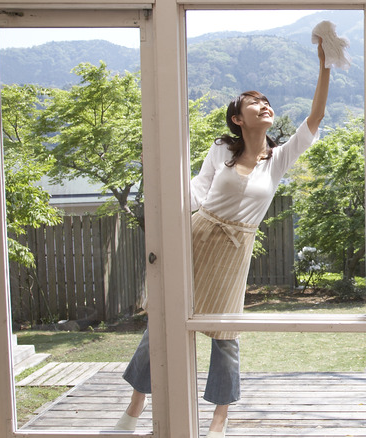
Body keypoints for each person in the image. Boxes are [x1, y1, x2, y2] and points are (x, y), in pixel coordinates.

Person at [115, 38, 331, 438]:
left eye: (267, 101)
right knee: (160, 325)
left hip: (235, 253)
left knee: (226, 335)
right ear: (238, 118)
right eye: (254, 102)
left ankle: (218, 423)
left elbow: (314, 118)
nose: (264, 105)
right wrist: (158, 176)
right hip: (199, 237)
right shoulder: (221, 150)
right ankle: (133, 413)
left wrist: (325, 64)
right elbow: (196, 193)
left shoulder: (279, 159)